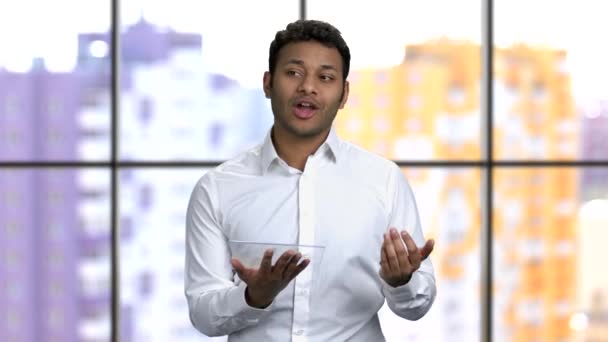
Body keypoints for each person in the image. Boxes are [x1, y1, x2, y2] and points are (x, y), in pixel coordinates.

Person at [185, 19, 436, 341]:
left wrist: (401, 281)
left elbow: (417, 306)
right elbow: (203, 314)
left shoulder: (383, 180)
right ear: (267, 83)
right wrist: (252, 298)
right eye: (293, 72)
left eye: (326, 77)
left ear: (344, 94)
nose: (308, 87)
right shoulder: (217, 189)